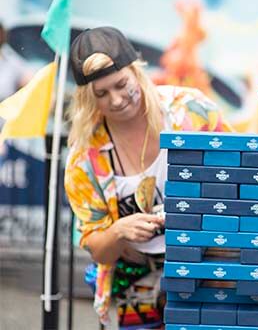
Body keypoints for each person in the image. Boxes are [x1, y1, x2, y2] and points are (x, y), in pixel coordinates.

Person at [64, 26, 232, 329]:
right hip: (136, 275)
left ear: (136, 71)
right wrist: (118, 231)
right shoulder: (84, 158)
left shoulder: (191, 111)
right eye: (101, 94)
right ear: (87, 99)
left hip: (205, 263)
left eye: (121, 84)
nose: (116, 100)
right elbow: (98, 248)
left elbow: (237, 179)